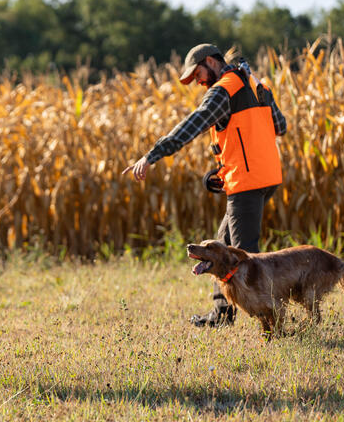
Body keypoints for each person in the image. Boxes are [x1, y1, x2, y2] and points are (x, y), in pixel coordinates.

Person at [123, 43, 287, 327]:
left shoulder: (224, 89)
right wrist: (228, 165)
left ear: (211, 62)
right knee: (221, 246)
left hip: (247, 182)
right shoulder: (256, 84)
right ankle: (222, 315)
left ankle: (272, 321)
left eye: (197, 73)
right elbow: (279, 125)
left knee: (247, 255)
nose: (198, 82)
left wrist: (152, 155)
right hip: (266, 176)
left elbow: (193, 124)